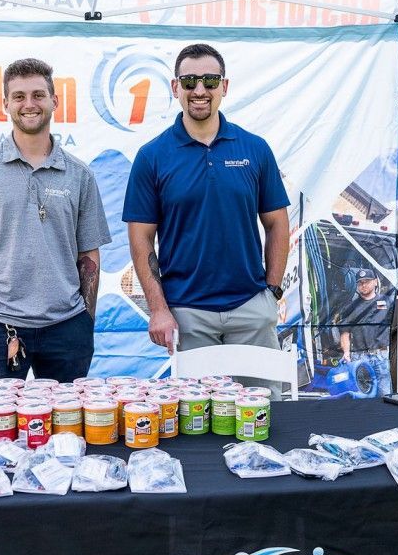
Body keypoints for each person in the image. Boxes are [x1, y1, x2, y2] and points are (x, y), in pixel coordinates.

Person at [123, 43, 290, 388]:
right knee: (197, 420)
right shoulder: (152, 156)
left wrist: (270, 292)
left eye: (210, 81)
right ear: (175, 88)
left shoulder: (254, 149)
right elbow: (141, 239)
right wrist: (158, 309)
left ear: (224, 87)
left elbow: (277, 223)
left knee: (262, 415)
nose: (200, 90)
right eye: (190, 81)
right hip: (188, 314)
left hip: (250, 310)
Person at [0, 57, 110, 381]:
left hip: (67, 330)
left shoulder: (80, 175)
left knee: (68, 431)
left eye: (38, 94)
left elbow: (88, 255)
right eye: (19, 96)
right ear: (6, 103)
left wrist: (85, 321)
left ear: (54, 101)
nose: (29, 104)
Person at [338, 267, 394, 398]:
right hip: (360, 357)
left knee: (385, 394)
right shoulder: (351, 307)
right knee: (363, 395)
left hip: (381, 355)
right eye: (360, 282)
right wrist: (346, 353)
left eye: (367, 281)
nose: (363, 285)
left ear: (375, 282)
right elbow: (344, 333)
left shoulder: (388, 302)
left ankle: (384, 418)